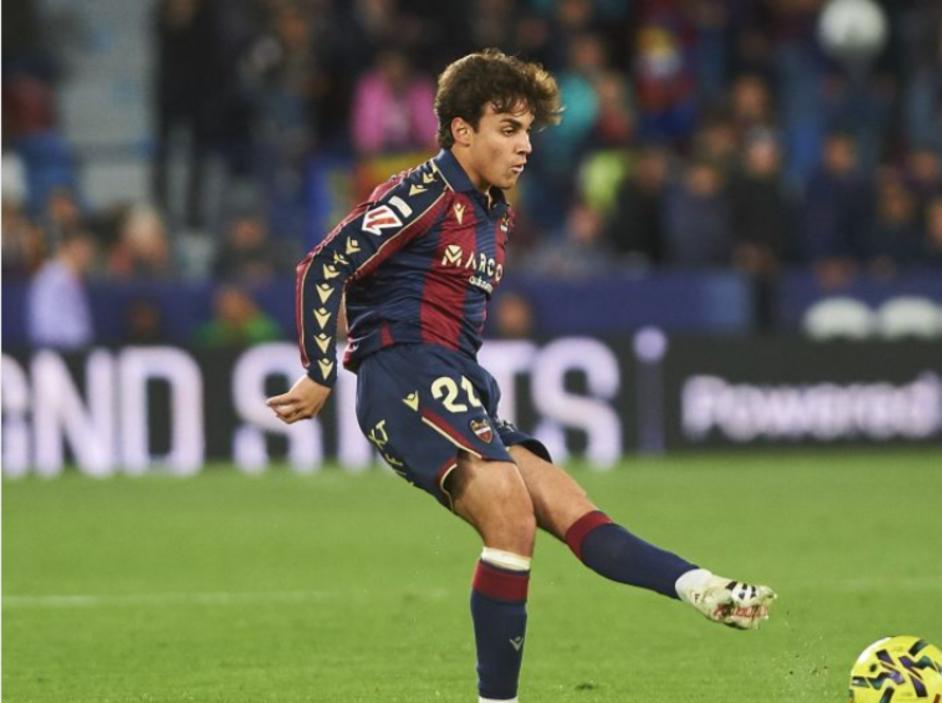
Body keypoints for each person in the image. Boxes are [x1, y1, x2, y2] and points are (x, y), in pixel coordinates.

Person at [266, 49, 775, 703]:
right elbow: (323, 262)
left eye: (528, 130)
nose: (525, 145)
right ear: (461, 131)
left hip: (459, 380)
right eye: (508, 128)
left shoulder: (494, 212)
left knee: (570, 508)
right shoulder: (420, 192)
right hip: (404, 373)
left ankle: (700, 587)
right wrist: (318, 369)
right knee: (507, 507)